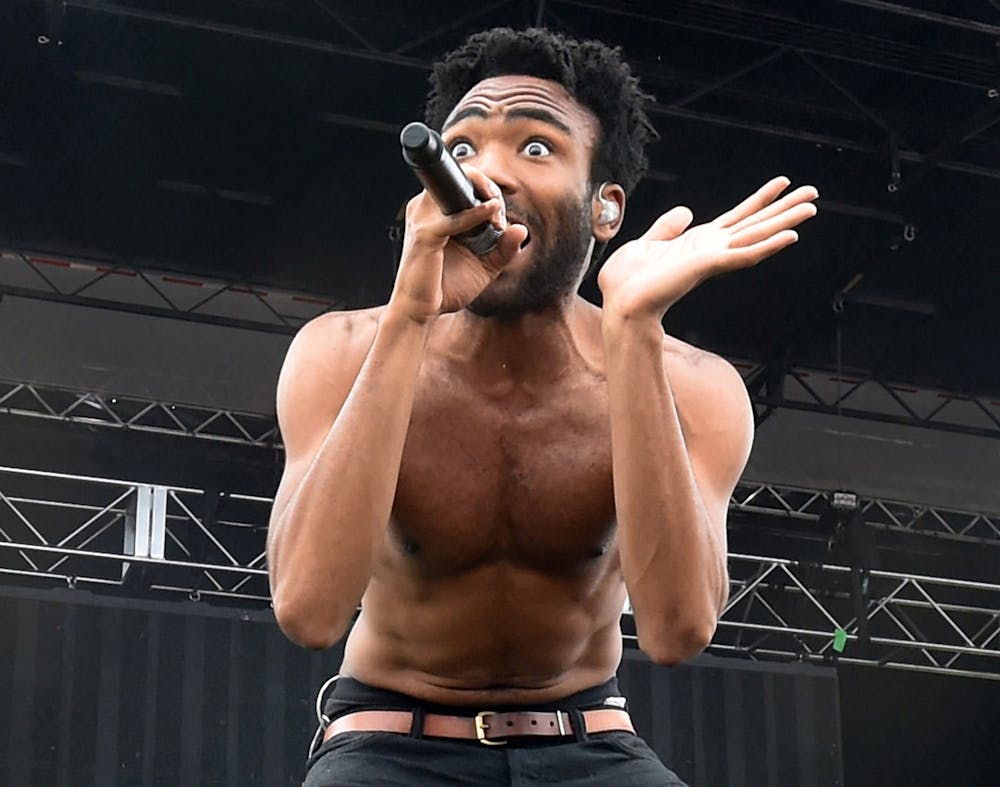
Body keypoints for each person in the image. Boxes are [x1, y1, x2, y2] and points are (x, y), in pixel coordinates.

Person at [267, 26, 818, 787]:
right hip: (388, 742)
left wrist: (633, 328)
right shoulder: (341, 350)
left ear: (606, 210)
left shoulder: (694, 386)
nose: (487, 174)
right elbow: (308, 611)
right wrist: (408, 316)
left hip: (590, 741)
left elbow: (676, 630)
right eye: (461, 150)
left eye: (535, 148)